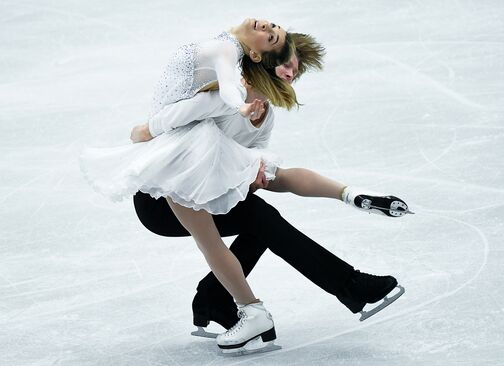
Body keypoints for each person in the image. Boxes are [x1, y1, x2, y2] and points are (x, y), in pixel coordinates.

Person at [131, 34, 409, 352]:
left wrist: (350, 194)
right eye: (287, 66)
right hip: (163, 196)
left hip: (207, 194)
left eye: (297, 70)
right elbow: (153, 128)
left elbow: (276, 177)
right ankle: (268, 303)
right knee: (253, 218)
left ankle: (215, 300)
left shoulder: (264, 118)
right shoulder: (220, 100)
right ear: (264, 63)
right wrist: (144, 131)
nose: (292, 75)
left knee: (262, 217)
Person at [80, 19, 303, 353]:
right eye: (271, 27)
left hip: (183, 159)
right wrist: (149, 130)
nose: (264, 24)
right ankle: (244, 308)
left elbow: (224, 90)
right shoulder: (229, 54)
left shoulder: (228, 55)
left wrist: (149, 130)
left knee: (230, 234)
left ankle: (236, 307)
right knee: (222, 237)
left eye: (271, 36)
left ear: (257, 55)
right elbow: (211, 97)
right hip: (178, 159)